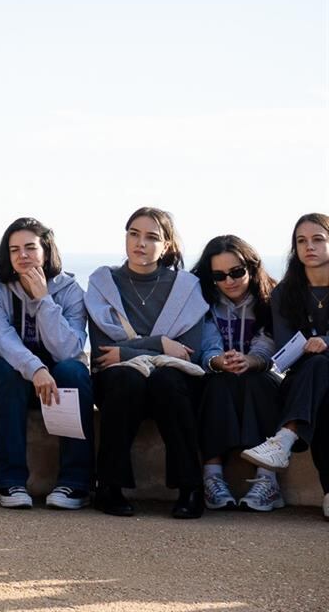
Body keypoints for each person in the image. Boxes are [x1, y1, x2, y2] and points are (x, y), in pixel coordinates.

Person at [86, 206, 211, 519]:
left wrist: (131, 350)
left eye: (151, 237)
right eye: (133, 234)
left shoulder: (186, 287)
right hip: (118, 383)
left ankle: (190, 488)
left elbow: (188, 352)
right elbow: (104, 351)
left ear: (166, 245)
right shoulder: (104, 282)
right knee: (126, 379)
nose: (140, 242)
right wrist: (160, 345)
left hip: (173, 384)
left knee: (166, 380)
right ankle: (109, 487)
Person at [0, 217, 94, 510]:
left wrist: (44, 300)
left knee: (73, 371)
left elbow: (68, 349)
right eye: (14, 249)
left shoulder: (70, 290)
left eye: (30, 248)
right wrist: (36, 369)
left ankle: (74, 483)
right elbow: (3, 340)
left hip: (57, 371)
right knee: (8, 373)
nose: (22, 256)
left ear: (45, 250)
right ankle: (10, 481)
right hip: (11, 371)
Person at [241, 212, 329, 522]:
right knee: (318, 373)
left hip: (314, 378)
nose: (309, 247)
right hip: (303, 377)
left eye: (318, 239)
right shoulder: (284, 293)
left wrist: (325, 341)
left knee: (321, 365)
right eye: (301, 241)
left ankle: (285, 439)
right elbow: (285, 349)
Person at [194, 234, 282, 513]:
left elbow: (270, 343)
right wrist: (218, 360)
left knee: (259, 383)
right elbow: (206, 342)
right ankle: (212, 477)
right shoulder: (203, 301)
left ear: (252, 267)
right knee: (216, 385)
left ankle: (268, 480)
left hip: (260, 374)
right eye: (219, 275)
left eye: (236, 272)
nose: (229, 281)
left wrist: (252, 360)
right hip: (218, 374)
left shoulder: (273, 298)